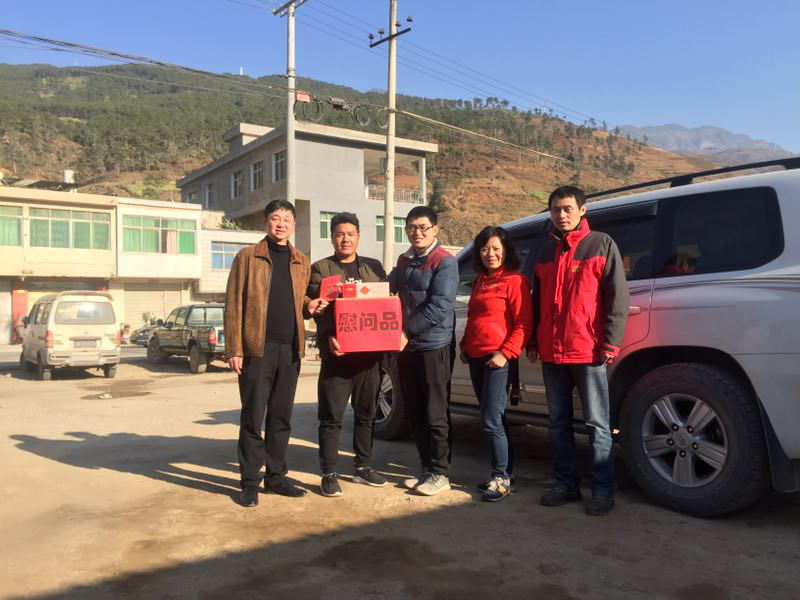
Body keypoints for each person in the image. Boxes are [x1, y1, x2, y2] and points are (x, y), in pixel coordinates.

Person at [527, 185, 629, 516]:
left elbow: (617, 297)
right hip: (551, 353)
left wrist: (611, 341)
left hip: (588, 351)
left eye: (568, 208)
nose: (561, 215)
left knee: (598, 425)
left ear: (582, 210)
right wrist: (533, 340)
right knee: (558, 423)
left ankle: (602, 490)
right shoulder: (545, 250)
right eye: (556, 209)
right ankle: (566, 484)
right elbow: (535, 300)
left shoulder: (601, 244)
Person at [224, 199, 325, 508]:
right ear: (266, 222)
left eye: (286, 219)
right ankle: (249, 482)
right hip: (257, 348)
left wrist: (309, 305)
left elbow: (301, 299)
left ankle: (276, 476)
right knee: (253, 417)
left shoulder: (301, 261)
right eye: (275, 218)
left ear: (294, 225)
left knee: (281, 417)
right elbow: (233, 303)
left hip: (290, 348)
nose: (281, 224)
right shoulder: (247, 257)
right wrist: (234, 348)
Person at [303, 212, 389, 497]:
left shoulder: (374, 268)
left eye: (350, 234)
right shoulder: (321, 269)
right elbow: (320, 311)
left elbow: (383, 304)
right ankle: (328, 473)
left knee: (366, 415)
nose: (345, 239)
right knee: (331, 417)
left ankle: (363, 467)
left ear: (358, 237)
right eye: (340, 234)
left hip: (369, 358)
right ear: (332, 238)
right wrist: (328, 337)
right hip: (337, 357)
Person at [460, 226, 533, 502]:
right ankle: (506, 476)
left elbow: (524, 324)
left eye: (496, 249)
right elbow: (474, 317)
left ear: (506, 251)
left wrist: (505, 353)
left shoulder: (515, 281)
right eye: (484, 249)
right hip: (476, 357)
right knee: (495, 418)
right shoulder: (480, 281)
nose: (490, 254)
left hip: (498, 359)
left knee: (491, 420)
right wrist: (465, 345)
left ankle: (500, 477)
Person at [390, 205, 458, 496]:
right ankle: (426, 469)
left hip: (433, 345)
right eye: (411, 228)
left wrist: (406, 332)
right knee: (415, 409)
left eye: (423, 227)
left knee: (435, 411)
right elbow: (388, 287)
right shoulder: (405, 260)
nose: (416, 233)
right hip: (409, 346)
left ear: (435, 229)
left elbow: (440, 306)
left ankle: (441, 473)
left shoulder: (445, 262)